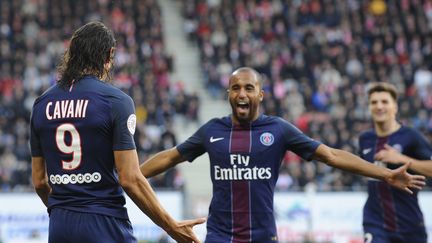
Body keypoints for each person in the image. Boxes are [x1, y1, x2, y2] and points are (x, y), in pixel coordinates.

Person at [139, 67, 425, 243]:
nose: (242, 93)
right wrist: (130, 176)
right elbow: (171, 157)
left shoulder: (278, 130)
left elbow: (332, 156)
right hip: (219, 236)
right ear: (228, 93)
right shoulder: (212, 131)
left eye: (249, 88)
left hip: (263, 236)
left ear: (260, 94)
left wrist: (387, 174)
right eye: (236, 87)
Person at [30, 21, 204, 243]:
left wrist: (64, 210)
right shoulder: (116, 101)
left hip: (60, 225)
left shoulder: (41, 104)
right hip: (105, 222)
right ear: (110, 55)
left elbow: (39, 181)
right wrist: (171, 226)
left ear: (71, 53)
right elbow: (130, 178)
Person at [358, 82, 432, 243]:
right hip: (374, 222)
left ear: (395, 107)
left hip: (409, 223)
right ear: (369, 107)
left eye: (384, 101)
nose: (379, 106)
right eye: (374, 102)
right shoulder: (365, 139)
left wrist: (403, 159)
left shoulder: (411, 136)